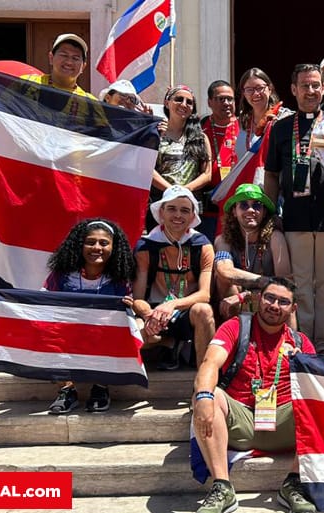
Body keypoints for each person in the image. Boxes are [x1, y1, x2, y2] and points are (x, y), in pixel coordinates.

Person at [191, 277, 317, 513]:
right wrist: (203, 396)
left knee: (319, 399)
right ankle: (222, 488)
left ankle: (293, 483)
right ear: (259, 298)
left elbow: (319, 386)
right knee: (209, 393)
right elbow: (210, 362)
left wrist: (303, 367)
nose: (275, 305)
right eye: (270, 298)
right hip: (241, 421)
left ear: (293, 308)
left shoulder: (301, 342)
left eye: (283, 302)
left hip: (283, 424)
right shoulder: (235, 327)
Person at [264, 63, 324, 355]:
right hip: (296, 216)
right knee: (302, 284)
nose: (311, 91)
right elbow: (272, 175)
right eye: (305, 85)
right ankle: (303, 344)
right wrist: (271, 213)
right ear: (293, 89)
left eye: (316, 85)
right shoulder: (281, 128)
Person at [43, 218, 135, 414]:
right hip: (68, 334)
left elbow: (126, 312)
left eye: (104, 243)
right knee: (46, 332)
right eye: (90, 242)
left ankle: (100, 388)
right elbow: (40, 302)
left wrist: (128, 305)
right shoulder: (62, 276)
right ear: (80, 245)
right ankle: (66, 391)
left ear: (113, 247)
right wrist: (3, 298)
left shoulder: (119, 279)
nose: (97, 248)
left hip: (102, 336)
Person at [133, 185, 216, 369]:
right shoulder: (145, 247)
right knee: (135, 335)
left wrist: (172, 305)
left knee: (204, 310)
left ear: (193, 216)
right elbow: (137, 298)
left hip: (186, 311)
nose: (178, 215)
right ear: (161, 212)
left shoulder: (202, 246)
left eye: (184, 210)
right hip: (153, 311)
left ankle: (205, 375)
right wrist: (149, 315)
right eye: (171, 209)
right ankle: (168, 343)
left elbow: (205, 295)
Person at [213, 183, 291, 321]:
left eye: (257, 205)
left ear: (264, 212)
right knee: (223, 281)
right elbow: (225, 271)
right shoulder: (223, 240)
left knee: (285, 298)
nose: (250, 210)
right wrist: (266, 281)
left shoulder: (275, 237)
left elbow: (284, 282)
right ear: (234, 211)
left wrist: (246, 296)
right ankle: (233, 331)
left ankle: (289, 336)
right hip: (233, 302)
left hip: (268, 298)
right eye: (243, 205)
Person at [150, 85, 214, 236]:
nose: (184, 104)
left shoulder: (201, 137)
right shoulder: (155, 134)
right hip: (162, 203)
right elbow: (148, 169)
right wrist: (171, 191)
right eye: (179, 99)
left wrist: (185, 191)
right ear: (167, 103)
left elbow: (207, 174)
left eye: (189, 102)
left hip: (190, 206)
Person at [201, 80, 240, 238]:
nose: (227, 103)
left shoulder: (246, 126)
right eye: (221, 99)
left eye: (230, 99)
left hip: (238, 205)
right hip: (210, 207)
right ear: (209, 102)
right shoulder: (199, 128)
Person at [235, 68, 288, 159]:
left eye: (260, 88)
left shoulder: (284, 118)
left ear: (270, 89)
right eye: (249, 89)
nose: (256, 93)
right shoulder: (240, 122)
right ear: (244, 93)